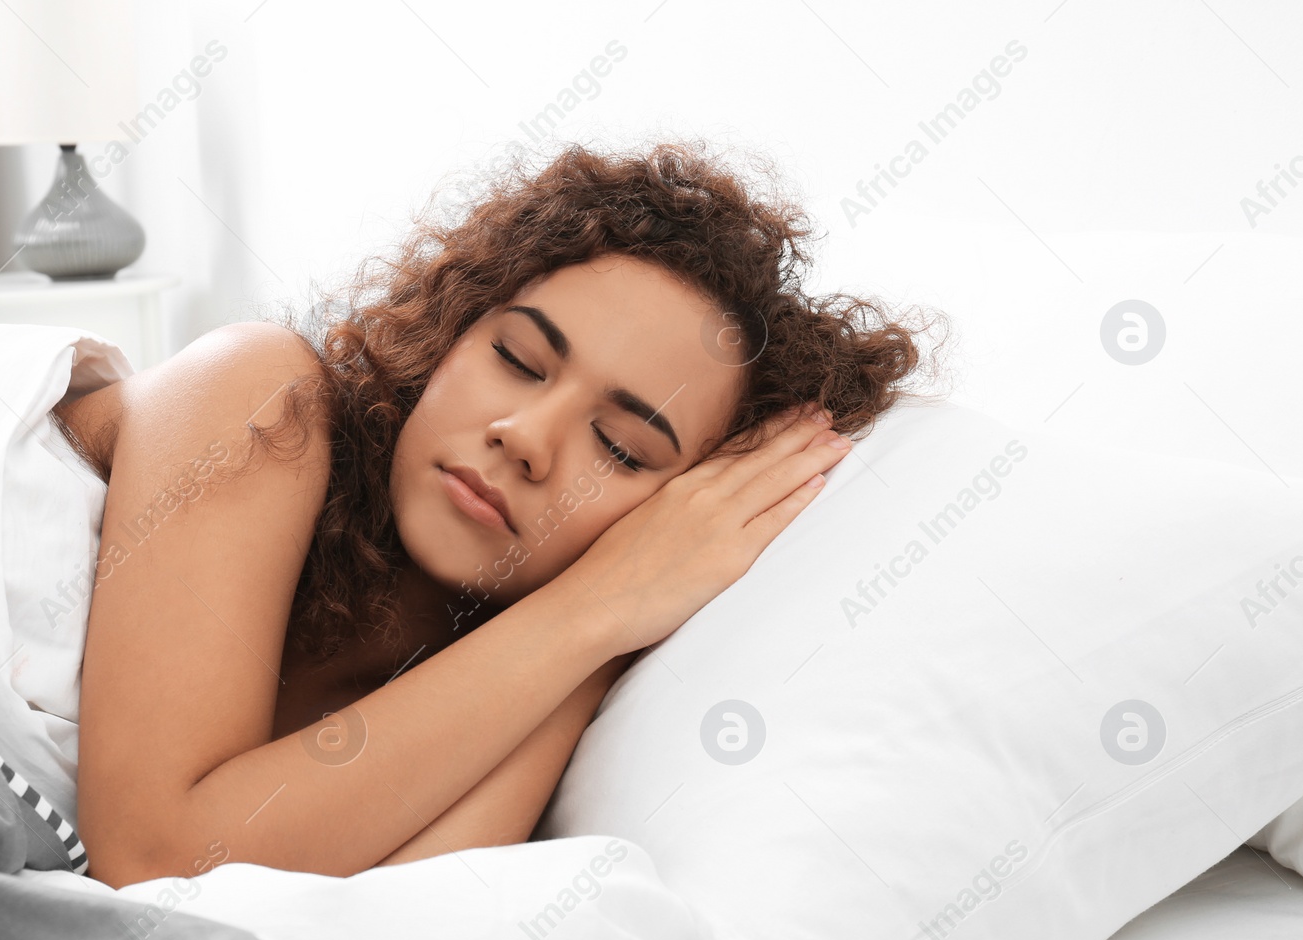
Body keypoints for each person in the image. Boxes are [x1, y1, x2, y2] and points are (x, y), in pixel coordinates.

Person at [55, 141, 945, 888]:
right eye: (518, 359)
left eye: (624, 448)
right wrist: (591, 607)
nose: (525, 437)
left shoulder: (476, 673)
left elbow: (379, 928)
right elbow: (154, 864)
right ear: (448, 334)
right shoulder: (258, 395)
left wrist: (602, 643)